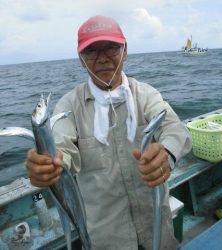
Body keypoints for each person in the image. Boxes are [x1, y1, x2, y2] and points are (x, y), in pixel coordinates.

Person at [26, 15, 192, 250]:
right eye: (92, 51)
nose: (103, 57)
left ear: (125, 51)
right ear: (81, 59)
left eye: (111, 48)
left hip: (157, 228)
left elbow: (175, 129)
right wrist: (47, 166)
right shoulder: (68, 106)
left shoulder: (146, 94)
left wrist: (167, 153)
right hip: (106, 239)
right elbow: (61, 150)